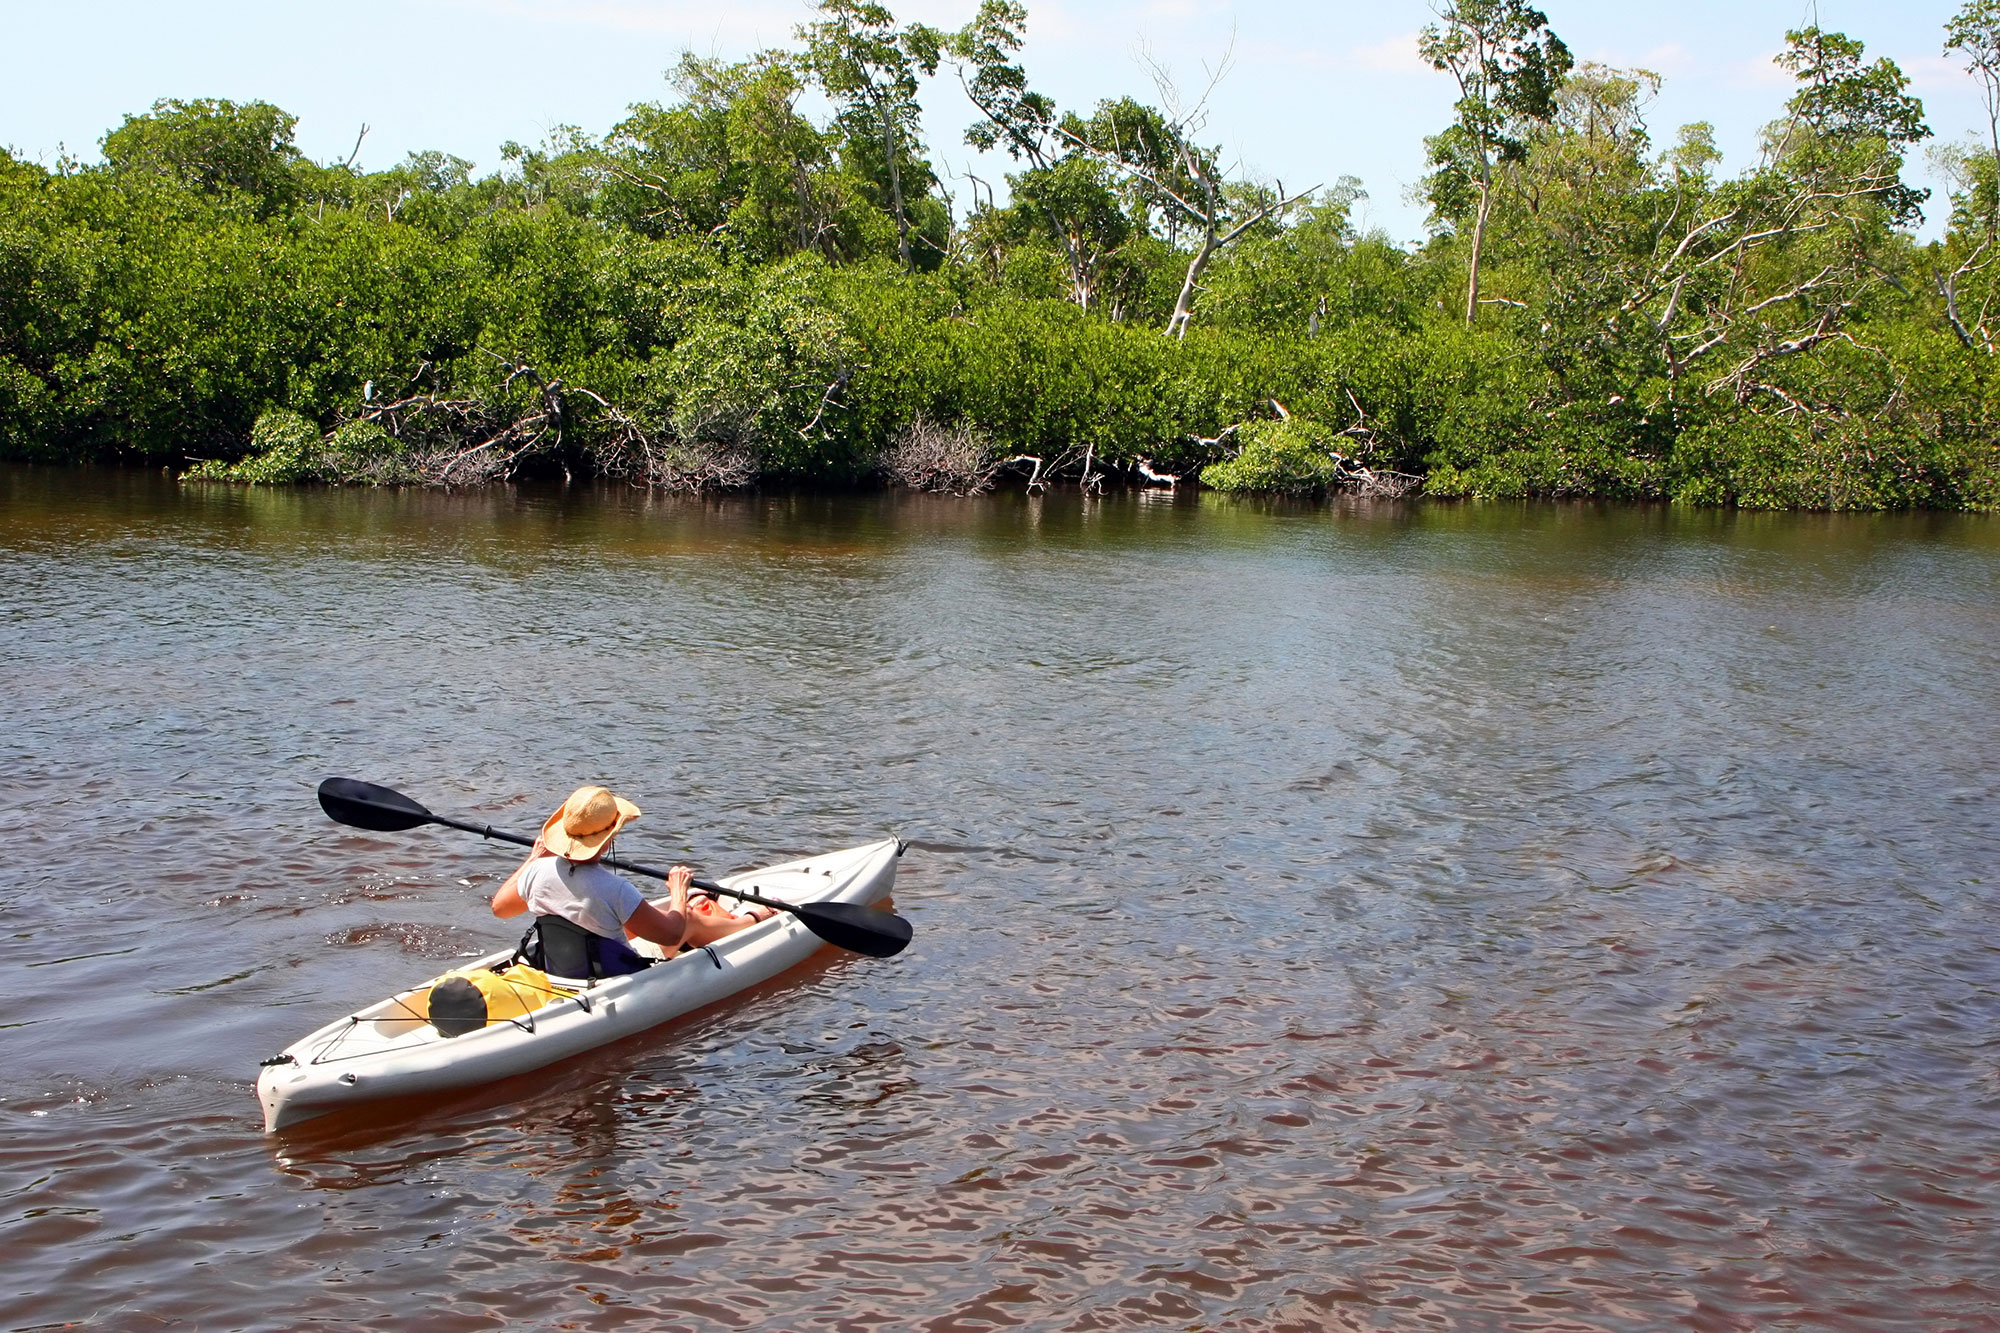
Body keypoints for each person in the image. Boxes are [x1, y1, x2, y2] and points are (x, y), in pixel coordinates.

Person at [490, 784, 772, 976]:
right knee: (687, 916)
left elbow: (501, 908)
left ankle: (717, 915)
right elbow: (671, 934)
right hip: (611, 970)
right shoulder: (615, 889)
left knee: (632, 918)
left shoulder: (537, 869)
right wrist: (677, 891)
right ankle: (752, 919)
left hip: (561, 965)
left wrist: (532, 858)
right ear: (608, 838)